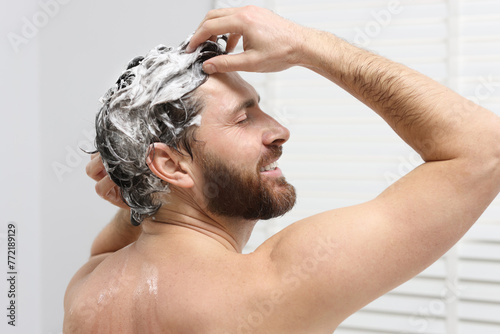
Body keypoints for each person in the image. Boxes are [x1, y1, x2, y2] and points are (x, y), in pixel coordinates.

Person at [63, 6, 500, 334]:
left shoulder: (88, 290)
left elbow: (128, 233)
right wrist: (303, 45)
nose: (279, 130)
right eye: (243, 117)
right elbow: (485, 151)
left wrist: (140, 177)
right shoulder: (270, 289)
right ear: (171, 164)